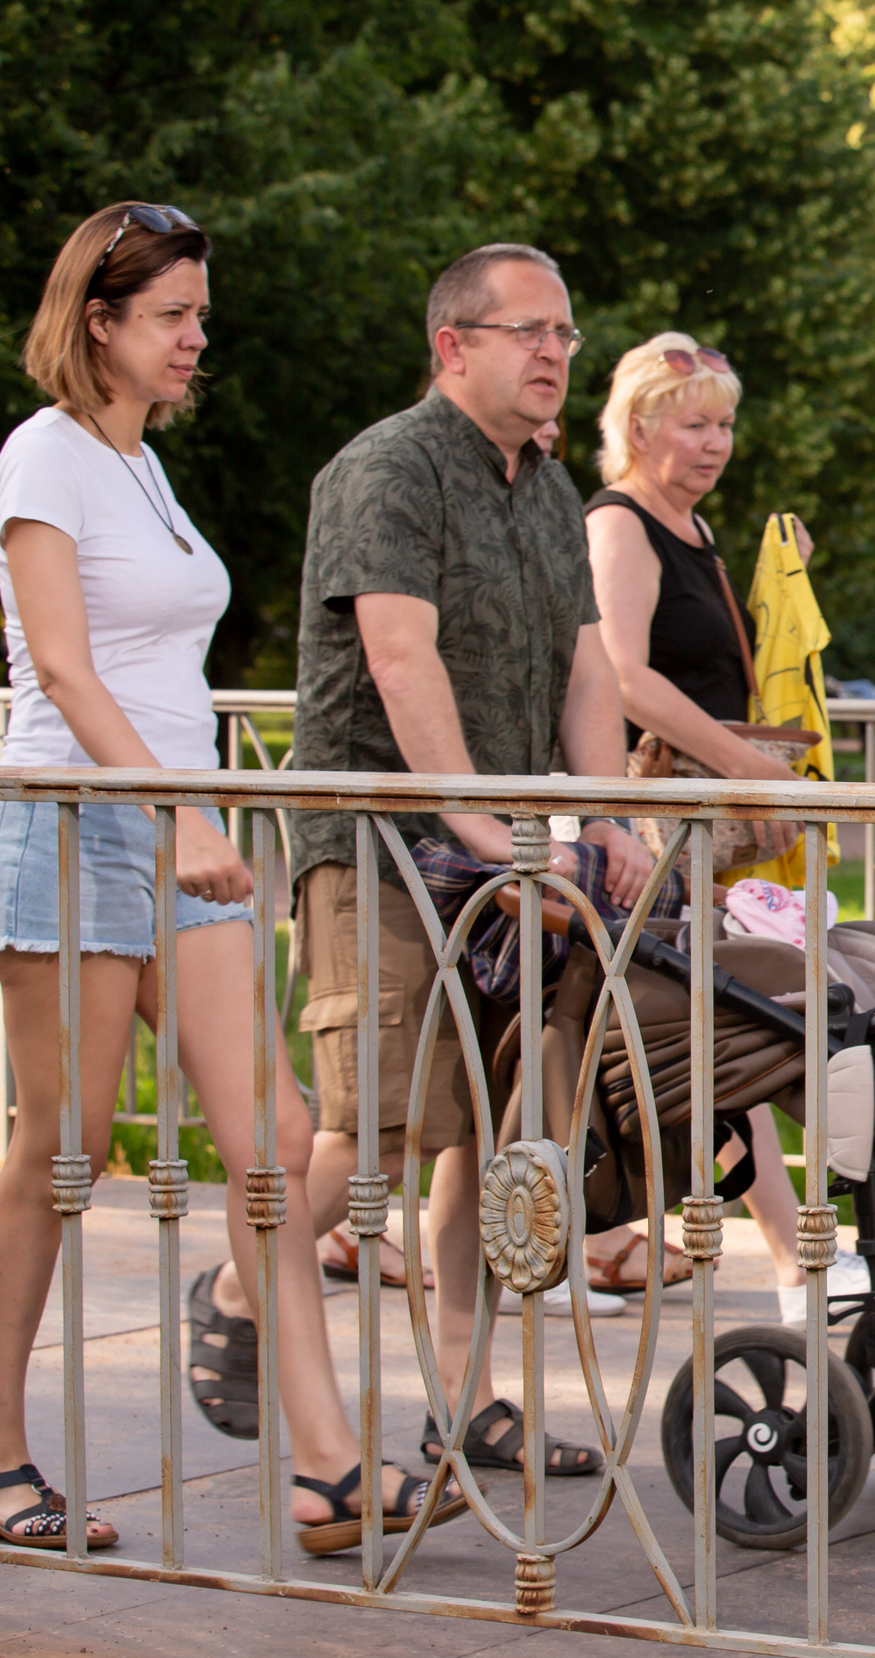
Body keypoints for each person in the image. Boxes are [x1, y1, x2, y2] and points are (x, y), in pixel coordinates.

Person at [0, 204, 459, 1553]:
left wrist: (192, 813)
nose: (199, 338)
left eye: (200, 315)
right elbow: (67, 672)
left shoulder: (145, 470)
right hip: (78, 819)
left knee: (267, 1138)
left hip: (177, 826)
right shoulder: (44, 456)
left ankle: (328, 1466)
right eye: (173, 317)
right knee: (56, 1148)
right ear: (101, 321)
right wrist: (177, 808)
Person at [286, 242, 635, 1481]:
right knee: (372, 1128)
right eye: (528, 331)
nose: (554, 354)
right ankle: (236, 1280)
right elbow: (399, 657)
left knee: (481, 1142)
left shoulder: (543, 487)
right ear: (454, 346)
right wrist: (478, 817)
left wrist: (602, 817)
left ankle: (463, 1401)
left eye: (566, 335)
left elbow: (588, 665)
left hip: (501, 863)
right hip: (380, 847)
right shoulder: (386, 468)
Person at [582, 329, 862, 1326]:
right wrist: (745, 762)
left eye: (726, 425)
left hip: (699, 830)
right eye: (695, 424)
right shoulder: (620, 525)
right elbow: (621, 676)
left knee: (701, 1034)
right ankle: (794, 1259)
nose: (716, 444)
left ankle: (620, 1235)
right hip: (651, 828)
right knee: (708, 1033)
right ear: (642, 425)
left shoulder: (693, 531)